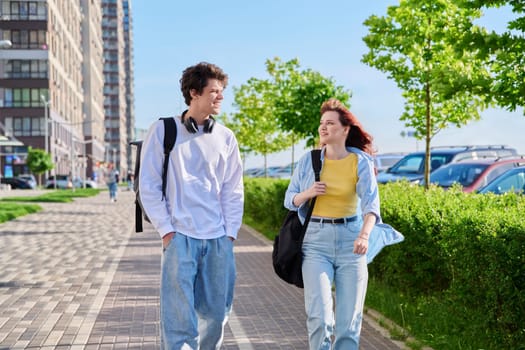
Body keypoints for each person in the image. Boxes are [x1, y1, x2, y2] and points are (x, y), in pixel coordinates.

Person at [139, 62, 244, 349]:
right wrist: (167, 231)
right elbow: (148, 185)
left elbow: (232, 190)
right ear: (194, 93)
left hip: (218, 239)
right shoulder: (164, 130)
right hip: (180, 237)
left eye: (222, 92)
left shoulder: (226, 137)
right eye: (214, 92)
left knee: (216, 316)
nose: (220, 97)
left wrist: (230, 233)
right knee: (179, 320)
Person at [284, 98, 380, 349]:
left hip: (352, 241)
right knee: (320, 318)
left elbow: (371, 206)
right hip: (315, 242)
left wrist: (364, 235)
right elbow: (289, 199)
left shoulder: (361, 162)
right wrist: (308, 193)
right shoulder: (310, 160)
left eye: (330, 123)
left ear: (345, 129)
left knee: (349, 324)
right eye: (321, 123)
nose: (323, 128)